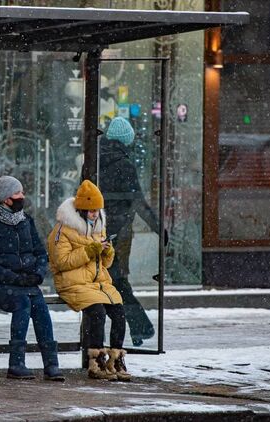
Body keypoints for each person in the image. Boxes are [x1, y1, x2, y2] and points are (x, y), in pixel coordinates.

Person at [0, 176, 65, 382]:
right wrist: (13, 278)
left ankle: (51, 364)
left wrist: (38, 273)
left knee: (40, 306)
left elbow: (40, 252)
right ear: (6, 198)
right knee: (22, 302)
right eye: (17, 193)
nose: (22, 196)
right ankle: (16, 363)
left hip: (25, 282)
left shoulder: (26, 220)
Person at [47, 180, 131, 381]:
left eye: (97, 210)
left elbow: (106, 264)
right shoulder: (63, 230)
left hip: (98, 283)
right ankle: (96, 362)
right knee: (97, 312)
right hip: (72, 282)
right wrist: (90, 250)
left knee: (119, 313)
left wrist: (107, 251)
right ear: (81, 210)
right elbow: (62, 262)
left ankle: (116, 360)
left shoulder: (98, 227)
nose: (95, 214)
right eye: (91, 210)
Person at [99, 116, 158, 346]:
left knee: (107, 280)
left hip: (96, 231)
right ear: (125, 141)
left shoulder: (94, 160)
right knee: (117, 280)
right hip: (118, 233)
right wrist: (157, 227)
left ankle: (136, 328)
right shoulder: (124, 165)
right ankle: (139, 327)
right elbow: (138, 201)